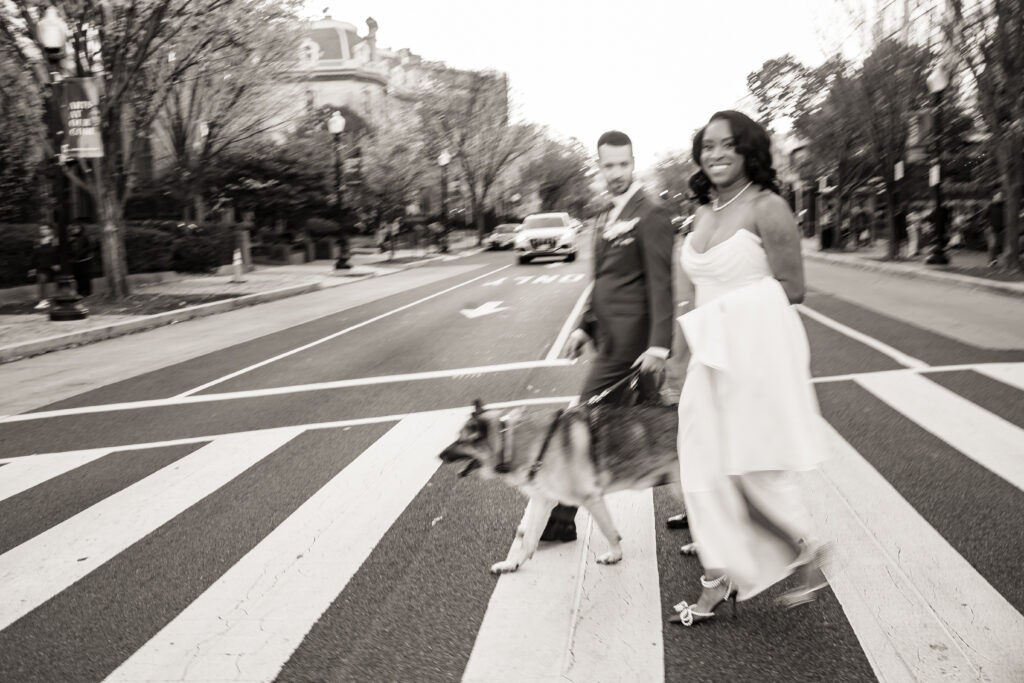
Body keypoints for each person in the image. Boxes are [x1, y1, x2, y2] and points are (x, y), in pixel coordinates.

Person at [669, 111, 828, 627]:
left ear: (747, 151)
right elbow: (688, 299)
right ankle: (733, 571)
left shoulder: (769, 207)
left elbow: (793, 288)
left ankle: (787, 552)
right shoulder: (701, 214)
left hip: (751, 357)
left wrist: (721, 318)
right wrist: (677, 356)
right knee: (701, 469)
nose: (715, 154)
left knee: (752, 469)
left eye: (727, 145)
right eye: (707, 146)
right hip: (706, 360)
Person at [542, 130, 676, 542]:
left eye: (623, 164)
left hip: (632, 350)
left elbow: (661, 284)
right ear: (599, 166)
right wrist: (585, 325)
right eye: (608, 165)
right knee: (669, 432)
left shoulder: (650, 213)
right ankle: (709, 502)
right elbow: (601, 281)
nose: (616, 172)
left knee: (581, 423)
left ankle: (562, 520)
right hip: (611, 340)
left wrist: (657, 346)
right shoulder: (605, 214)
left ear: (633, 162)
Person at [28, 224, 59, 310]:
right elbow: (34, 255)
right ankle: (43, 301)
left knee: (60, 281)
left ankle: (60, 299)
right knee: (42, 282)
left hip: (54, 265)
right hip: (42, 265)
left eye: (45, 229)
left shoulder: (55, 240)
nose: (42, 231)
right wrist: (32, 267)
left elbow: (58, 253)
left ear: (50, 230)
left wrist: (57, 263)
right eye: (41, 229)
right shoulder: (37, 241)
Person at [69, 222, 97, 297]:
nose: (75, 230)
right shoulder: (72, 238)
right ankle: (80, 292)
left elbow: (91, 246)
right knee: (78, 277)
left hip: (85, 260)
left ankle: (88, 292)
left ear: (81, 228)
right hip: (76, 261)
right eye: (74, 228)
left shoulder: (85, 236)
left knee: (86, 277)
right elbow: (70, 248)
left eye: (77, 228)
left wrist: (83, 252)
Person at [987, 191, 1006, 268]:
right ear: (993, 198)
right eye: (997, 197)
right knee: (992, 245)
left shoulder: (1004, 206)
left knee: (999, 245)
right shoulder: (990, 206)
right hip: (992, 229)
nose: (998, 198)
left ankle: (994, 259)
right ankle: (992, 260)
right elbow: (984, 216)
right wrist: (988, 225)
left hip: (1002, 229)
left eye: (1000, 197)